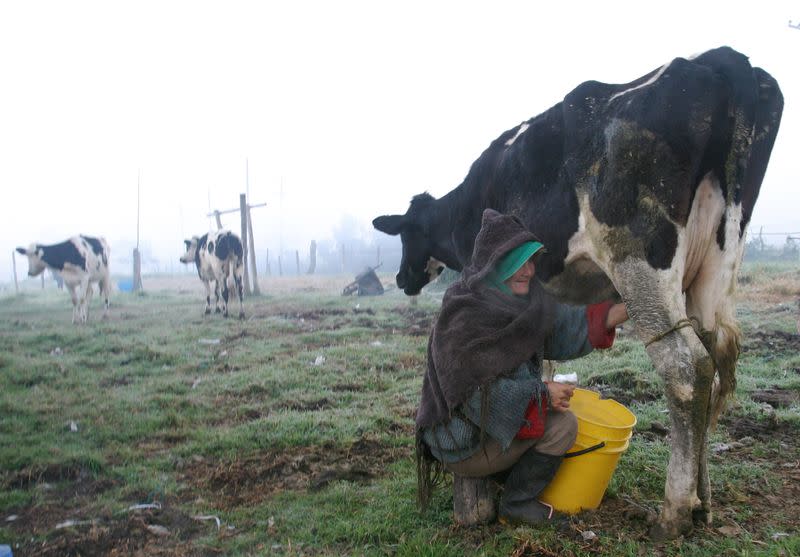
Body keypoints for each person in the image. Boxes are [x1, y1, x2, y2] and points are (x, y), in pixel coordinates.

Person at [416, 208, 628, 526]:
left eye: (531, 261)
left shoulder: (528, 305)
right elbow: (472, 394)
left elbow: (568, 327)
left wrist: (632, 306)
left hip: (488, 428)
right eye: (517, 260)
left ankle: (509, 479)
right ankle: (518, 502)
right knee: (563, 427)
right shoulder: (464, 314)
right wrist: (541, 394)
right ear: (493, 262)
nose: (528, 271)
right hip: (459, 441)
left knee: (556, 421)